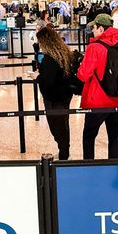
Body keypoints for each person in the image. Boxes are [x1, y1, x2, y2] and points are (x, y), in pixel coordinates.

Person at [77, 14, 118, 160]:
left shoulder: (95, 47)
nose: (92, 31)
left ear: (101, 28)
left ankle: (89, 165)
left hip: (97, 101)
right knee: (114, 136)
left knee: (89, 136)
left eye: (94, 28)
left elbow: (83, 75)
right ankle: (113, 164)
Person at [31, 26, 77, 160]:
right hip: (65, 95)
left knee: (57, 127)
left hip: (53, 97)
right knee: (63, 124)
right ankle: (65, 151)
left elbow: (48, 81)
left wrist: (37, 77)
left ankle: (64, 154)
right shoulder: (64, 53)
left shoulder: (49, 59)